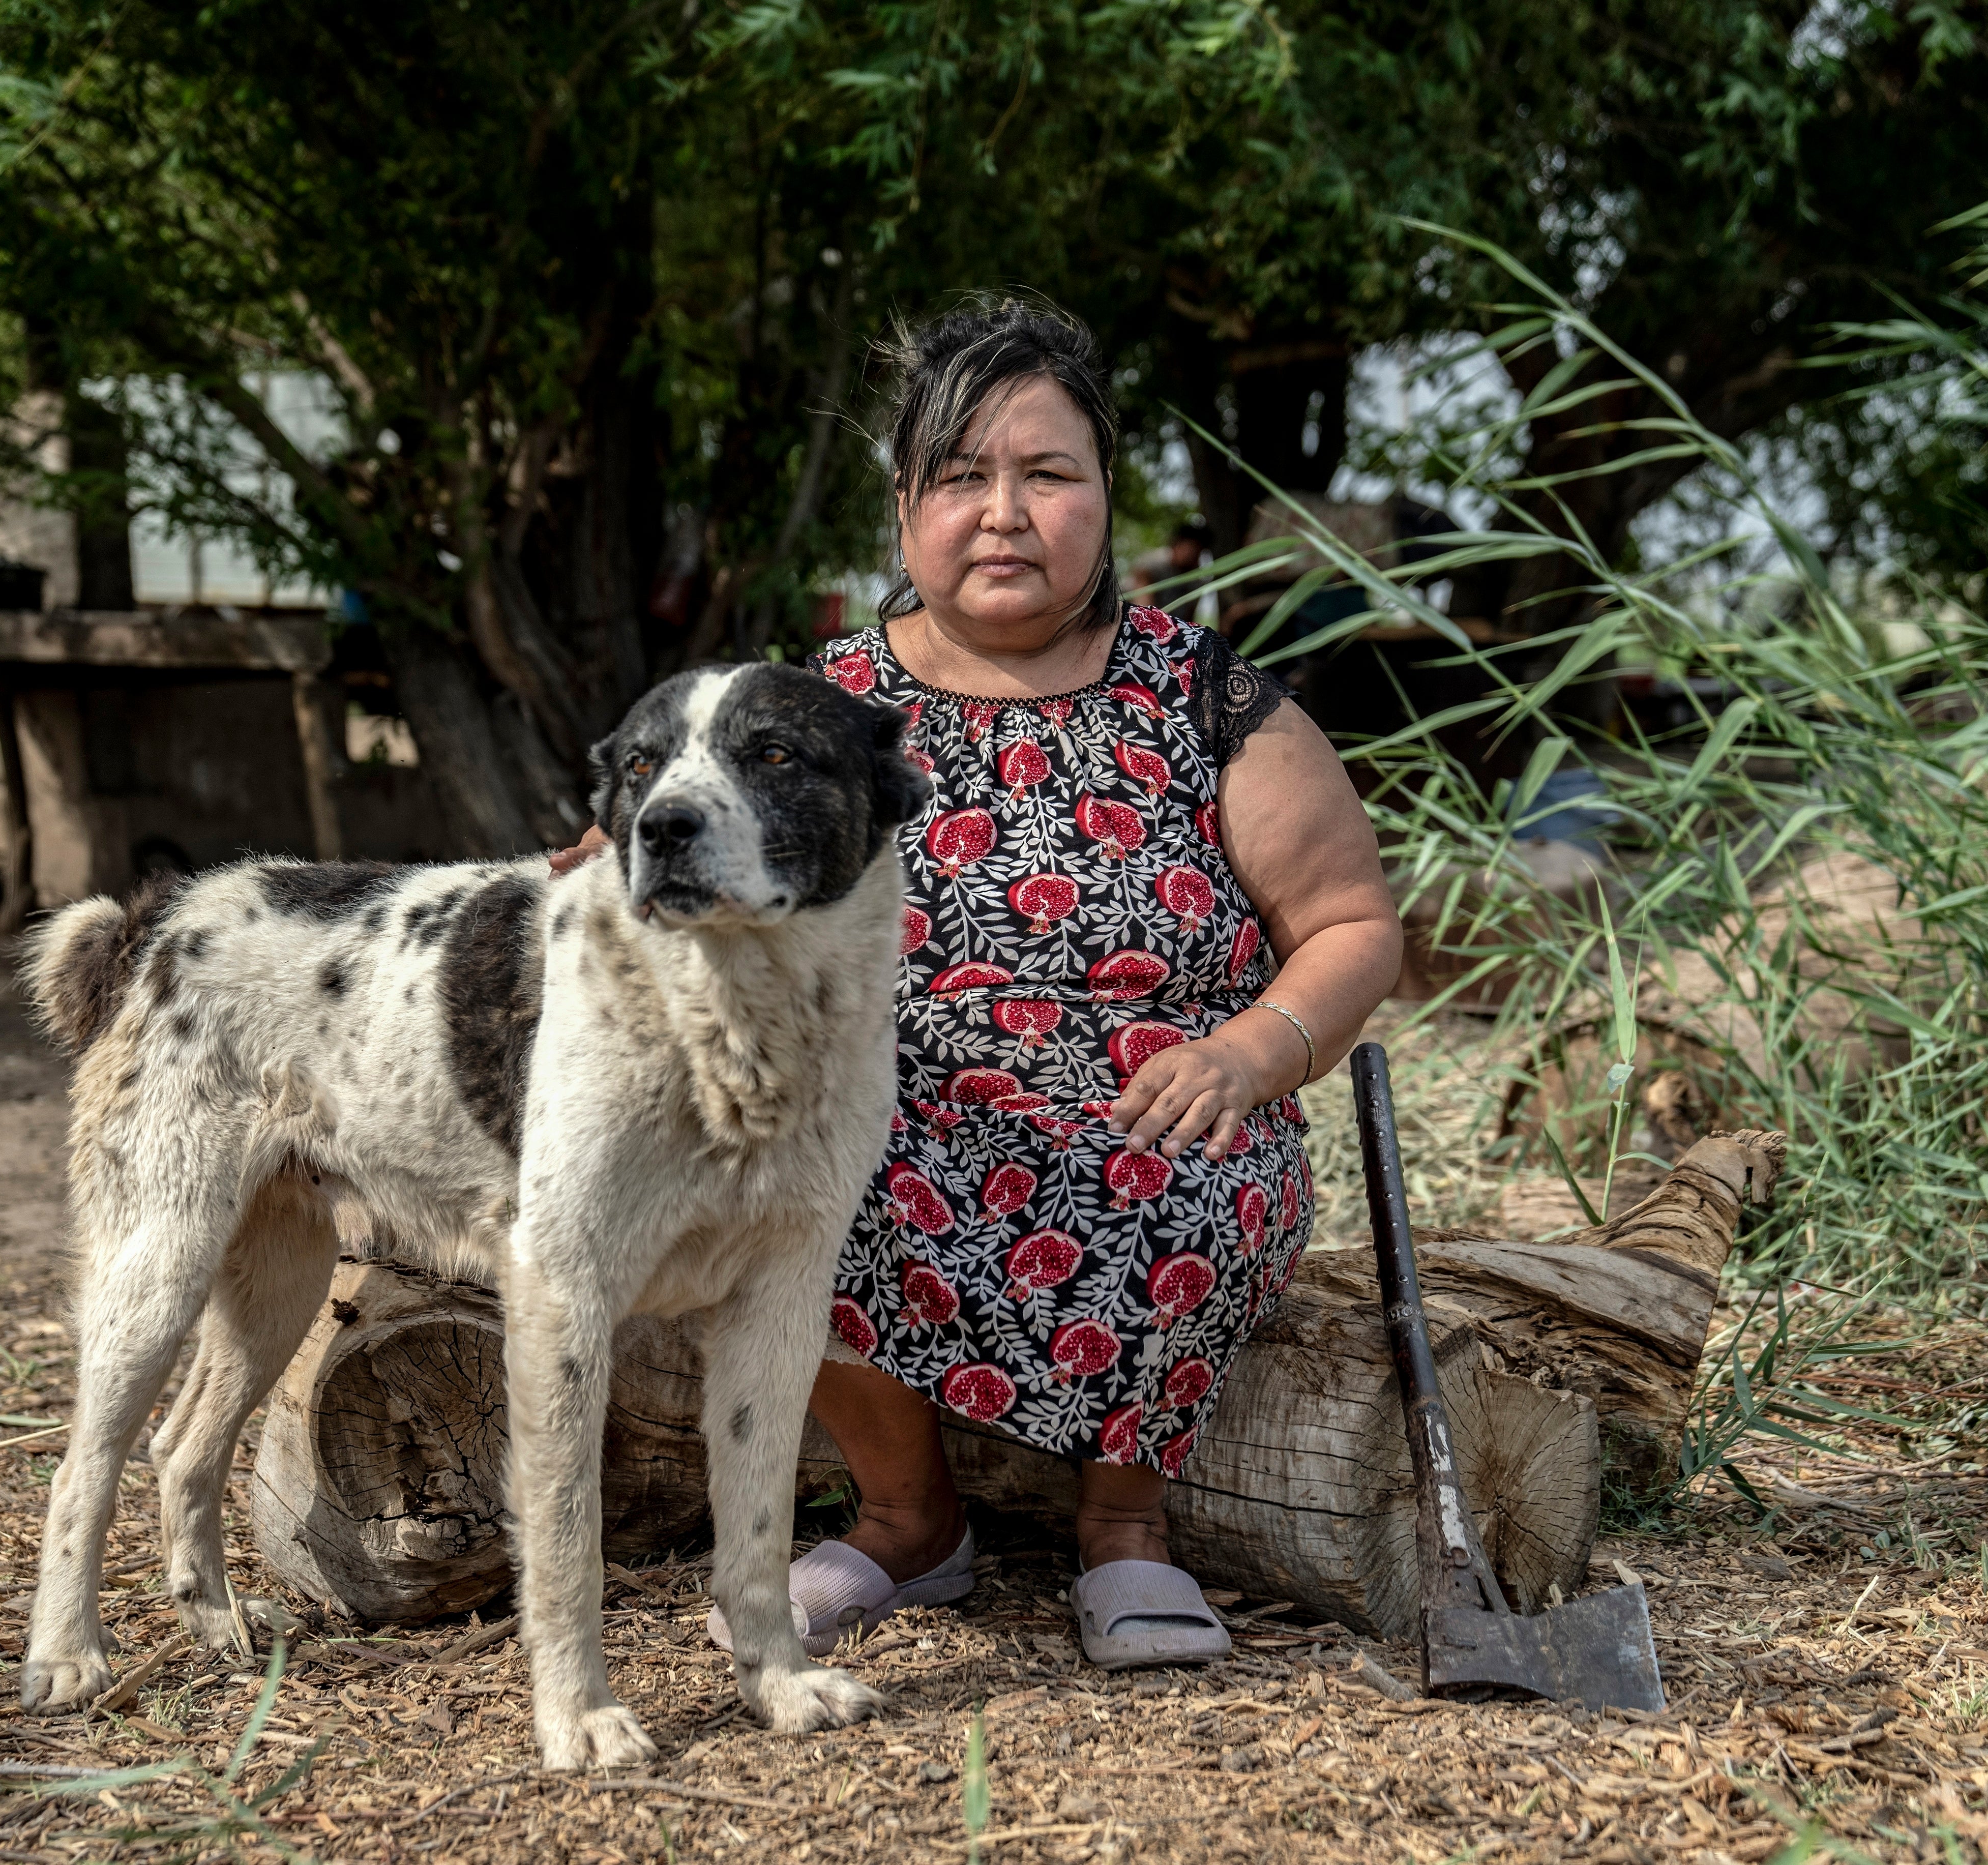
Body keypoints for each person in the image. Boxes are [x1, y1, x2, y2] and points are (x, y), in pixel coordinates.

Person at [558, 300, 1401, 1669]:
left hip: (1159, 1110)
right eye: (961, 478)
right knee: (796, 1173)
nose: (1003, 514)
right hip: (882, 1108)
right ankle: (905, 1518)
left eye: (1046, 475)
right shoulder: (796, 708)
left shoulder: (1204, 697)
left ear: (1105, 500)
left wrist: (1251, 1054)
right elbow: (629, 866)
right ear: (903, 509)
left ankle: (1125, 1528)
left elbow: (1353, 923)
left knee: (1184, 1170)